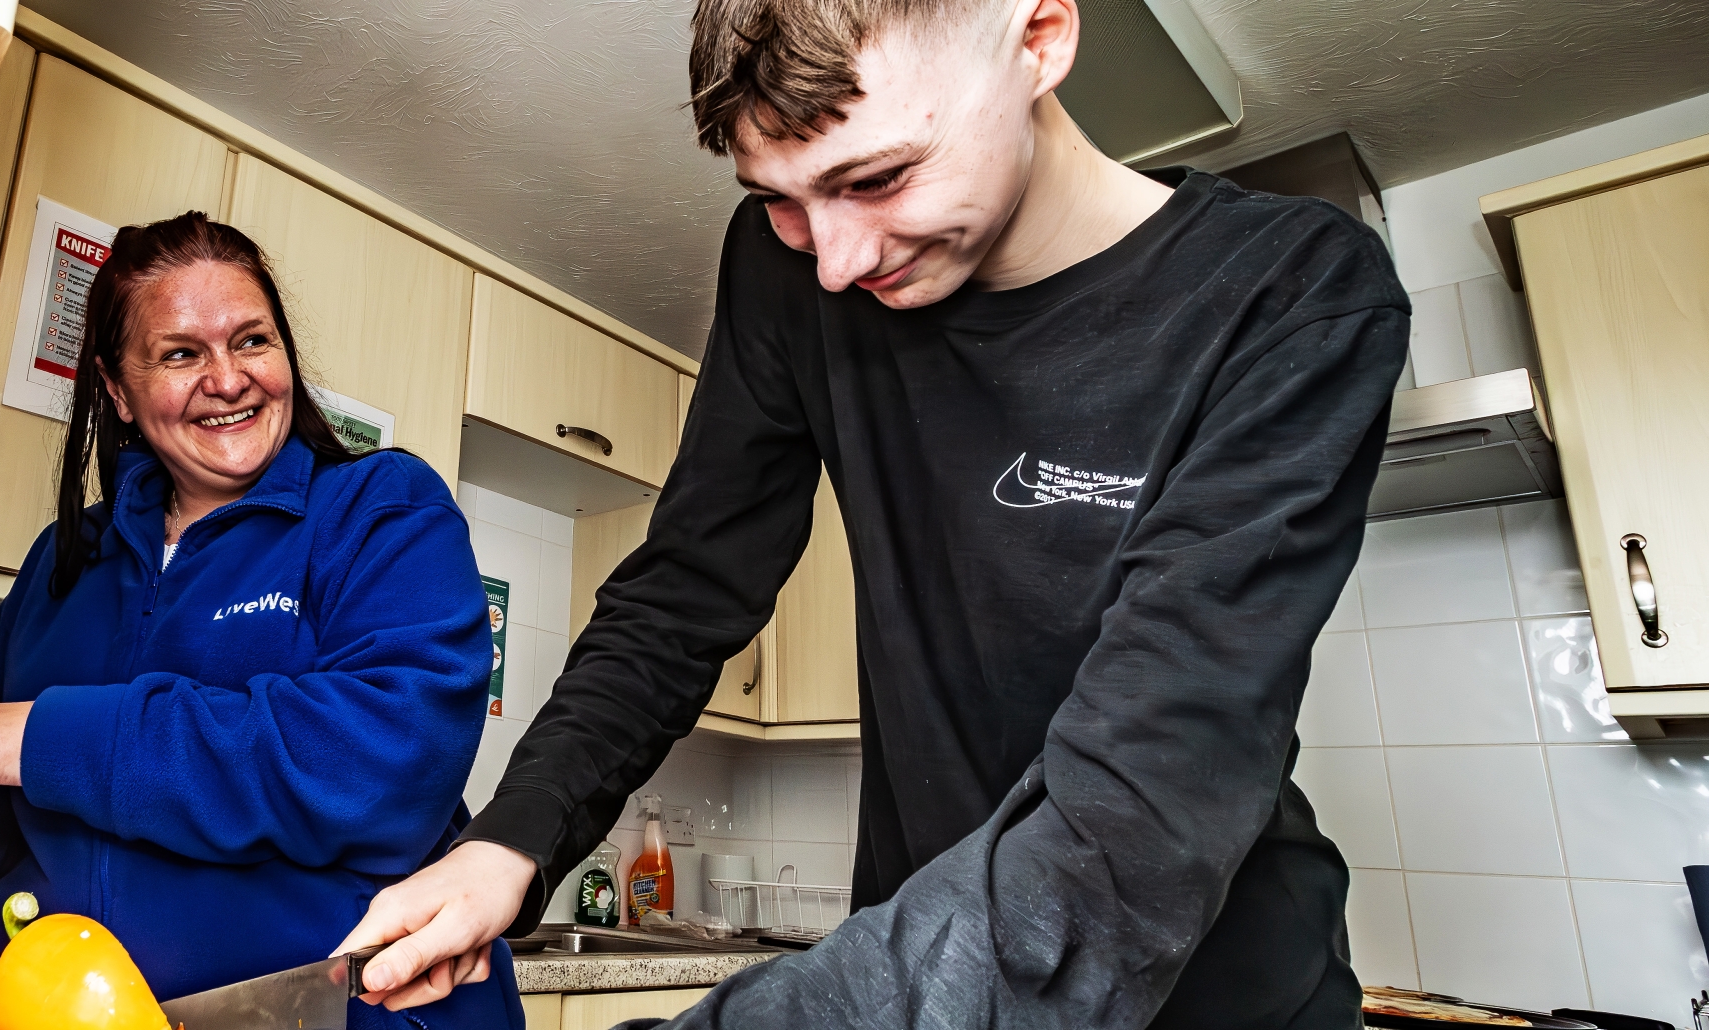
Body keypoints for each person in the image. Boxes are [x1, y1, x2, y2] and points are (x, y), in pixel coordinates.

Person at [335, 0, 1410, 1026]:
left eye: (880, 176)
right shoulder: (784, 267)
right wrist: (512, 841)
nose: (837, 259)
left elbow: (1137, 803)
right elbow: (682, 591)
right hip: (919, 967)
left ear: (1039, 37)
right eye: (779, 199)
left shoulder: (1293, 289)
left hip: (1217, 990)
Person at [0, 212, 523, 1030]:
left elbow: (381, 761)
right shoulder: (65, 558)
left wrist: (42, 736)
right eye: (182, 353)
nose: (228, 379)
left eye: (253, 341)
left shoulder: (380, 509)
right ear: (116, 390)